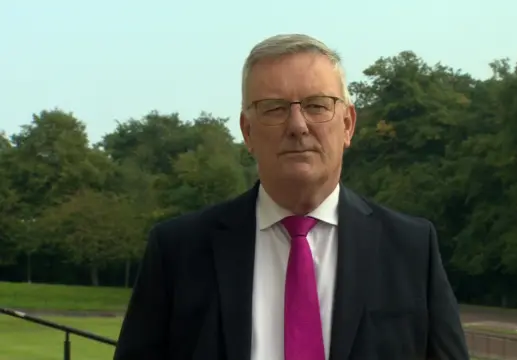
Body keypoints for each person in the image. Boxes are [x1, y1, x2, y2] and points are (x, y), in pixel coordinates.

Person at [114, 34, 469, 360]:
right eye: (274, 108)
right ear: (247, 130)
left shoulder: (411, 249)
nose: (297, 125)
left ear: (347, 124)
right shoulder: (178, 251)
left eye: (317, 105)